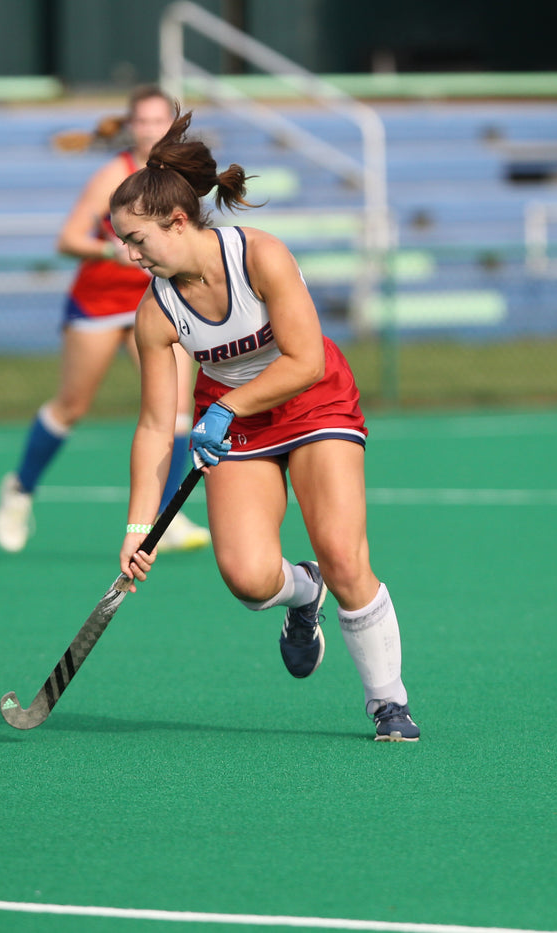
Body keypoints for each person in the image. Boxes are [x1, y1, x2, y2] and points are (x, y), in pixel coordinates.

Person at [110, 111, 419, 742]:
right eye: (123, 242)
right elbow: (150, 428)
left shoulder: (261, 256)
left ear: (177, 220)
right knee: (248, 578)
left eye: (137, 239)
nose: (129, 254)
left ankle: (388, 703)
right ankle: (303, 594)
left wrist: (226, 408)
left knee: (341, 550)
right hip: (236, 419)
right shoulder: (155, 313)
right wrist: (141, 527)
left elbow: (304, 362)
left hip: (311, 401)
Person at [0, 86, 211, 554]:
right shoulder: (113, 175)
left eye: (159, 121)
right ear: (130, 126)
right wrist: (109, 249)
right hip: (99, 301)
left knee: (174, 411)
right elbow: (68, 238)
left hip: (155, 304)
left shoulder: (177, 178)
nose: (151, 130)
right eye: (144, 121)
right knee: (71, 406)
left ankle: (164, 517)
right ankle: (20, 489)